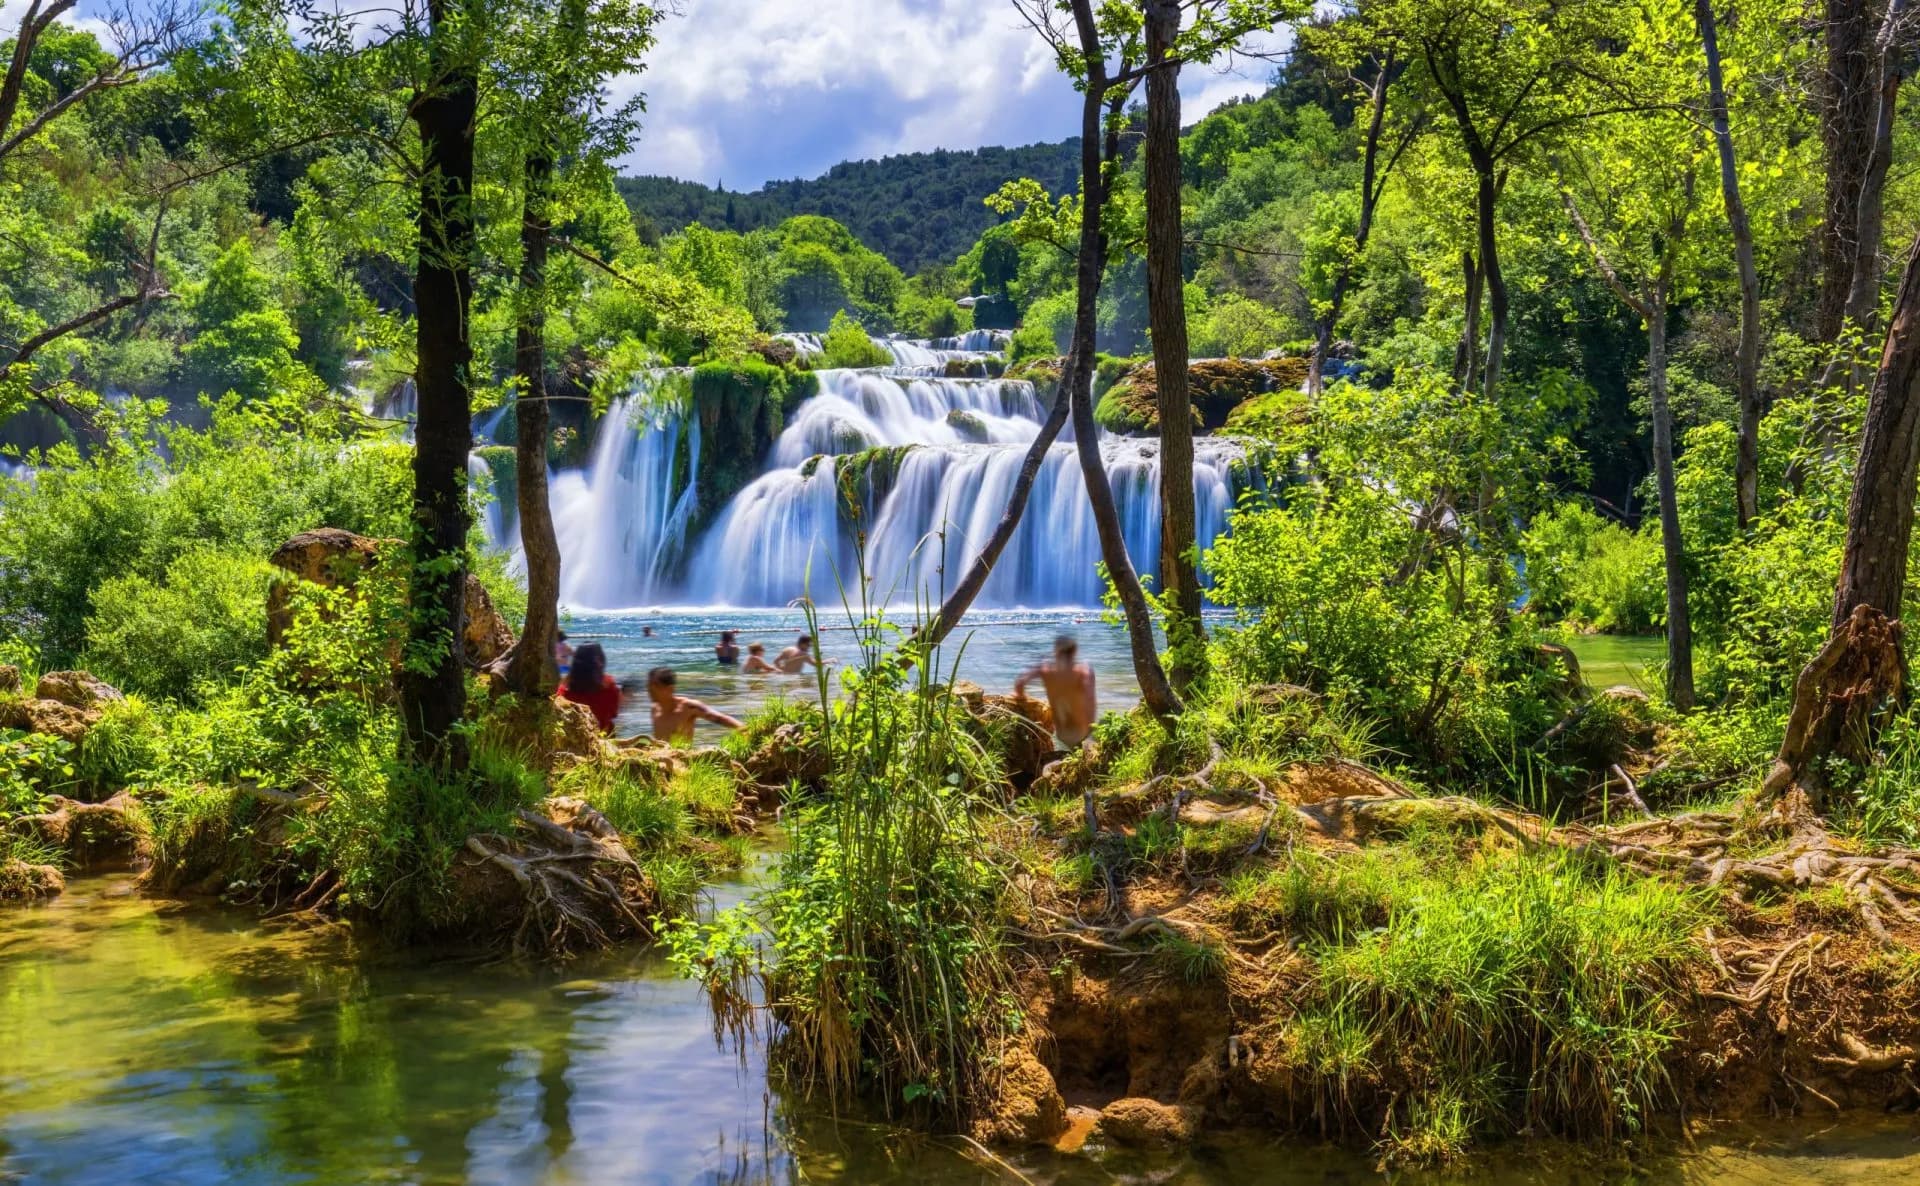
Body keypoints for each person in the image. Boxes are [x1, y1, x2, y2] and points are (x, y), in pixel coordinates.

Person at [1014, 635, 1097, 748]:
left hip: (1062, 734)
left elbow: (1020, 683)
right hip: (1082, 732)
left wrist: (1022, 698)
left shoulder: (1045, 670)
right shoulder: (1084, 671)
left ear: (1056, 652)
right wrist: (1091, 727)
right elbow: (1090, 697)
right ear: (1074, 652)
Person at [646, 667, 742, 743]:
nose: (650, 690)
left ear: (670, 689)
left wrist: (745, 730)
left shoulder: (688, 707)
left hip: (683, 762)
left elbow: (720, 718)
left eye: (655, 686)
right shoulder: (654, 710)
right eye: (649, 685)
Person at [558, 642, 622, 733]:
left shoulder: (564, 690)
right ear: (601, 661)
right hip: (603, 736)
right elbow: (613, 713)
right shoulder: (609, 686)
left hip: (574, 735)